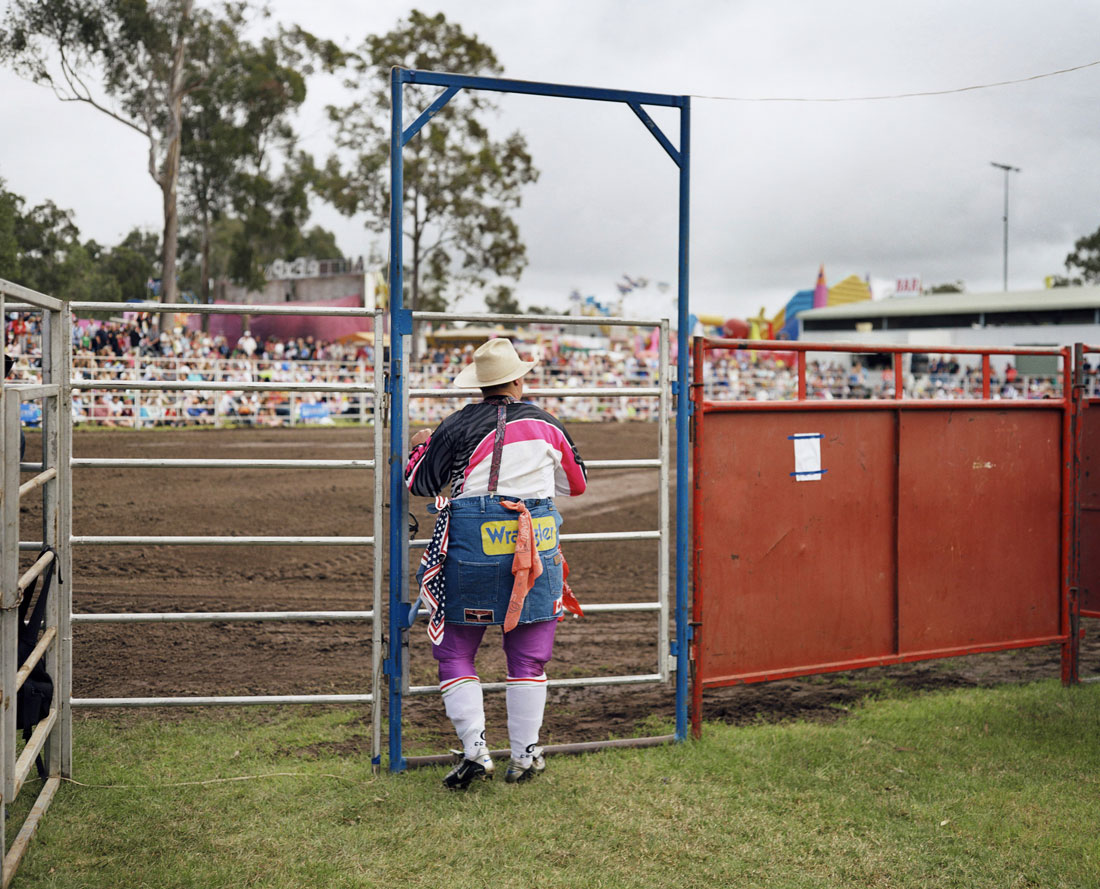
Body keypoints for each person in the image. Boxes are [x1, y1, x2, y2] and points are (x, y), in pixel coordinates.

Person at [404, 338, 587, 789]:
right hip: (535, 549)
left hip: (473, 548)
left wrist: (420, 447)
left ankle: (475, 751)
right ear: (519, 380)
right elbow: (576, 484)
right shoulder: (548, 425)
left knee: (455, 651)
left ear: (478, 385)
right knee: (528, 657)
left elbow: (419, 482)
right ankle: (525, 756)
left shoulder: (456, 424)